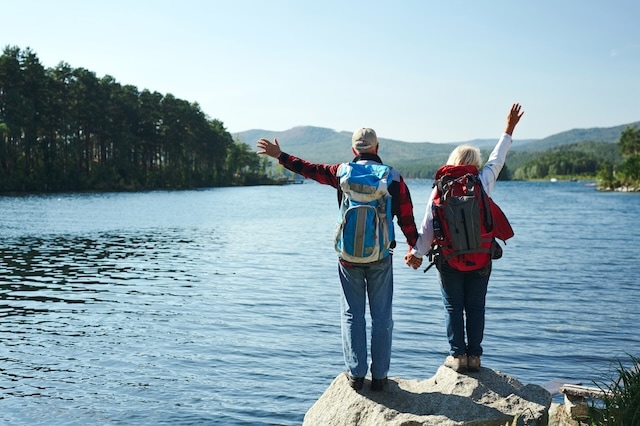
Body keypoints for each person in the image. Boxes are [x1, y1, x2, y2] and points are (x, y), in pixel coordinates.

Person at [257, 129, 419, 391]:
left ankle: (355, 375)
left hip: (348, 257)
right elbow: (407, 218)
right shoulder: (393, 177)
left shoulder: (341, 172)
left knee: (352, 314)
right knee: (382, 316)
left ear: (354, 150)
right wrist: (415, 248)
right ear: (377, 147)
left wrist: (281, 156)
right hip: (380, 257)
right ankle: (380, 378)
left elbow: (310, 169)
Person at [404, 103, 524, 373]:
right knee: (476, 307)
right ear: (474, 164)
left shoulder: (440, 188)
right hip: (481, 258)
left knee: (453, 307)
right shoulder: (481, 182)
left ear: (453, 161)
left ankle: (457, 357)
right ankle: (475, 357)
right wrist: (509, 128)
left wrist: (416, 254)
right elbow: (498, 159)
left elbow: (427, 226)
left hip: (449, 259)